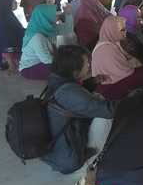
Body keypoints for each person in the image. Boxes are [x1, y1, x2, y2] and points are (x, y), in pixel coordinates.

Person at [43, 44, 116, 174]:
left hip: (57, 149)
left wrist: (93, 81)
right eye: (87, 63)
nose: (89, 65)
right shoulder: (68, 92)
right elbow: (108, 110)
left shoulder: (56, 81)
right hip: (68, 159)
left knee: (97, 98)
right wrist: (134, 100)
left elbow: (77, 94)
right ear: (74, 70)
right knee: (103, 118)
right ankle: (94, 160)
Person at [92, 16, 143, 101]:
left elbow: (126, 58)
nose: (125, 33)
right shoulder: (106, 49)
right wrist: (133, 63)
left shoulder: (110, 41)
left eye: (125, 29)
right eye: (122, 30)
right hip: (111, 83)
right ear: (112, 30)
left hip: (115, 76)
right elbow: (123, 72)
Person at [19, 4, 74, 81]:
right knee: (65, 70)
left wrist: (68, 14)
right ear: (44, 18)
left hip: (44, 62)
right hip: (30, 68)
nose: (57, 17)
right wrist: (64, 62)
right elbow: (47, 60)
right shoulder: (36, 37)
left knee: (70, 63)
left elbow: (68, 29)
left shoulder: (49, 29)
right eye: (54, 15)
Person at [0, 0, 25, 73]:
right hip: (8, 54)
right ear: (6, 3)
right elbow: (6, 43)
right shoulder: (4, 19)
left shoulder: (6, 15)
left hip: (10, 49)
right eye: (14, 2)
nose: (16, 4)